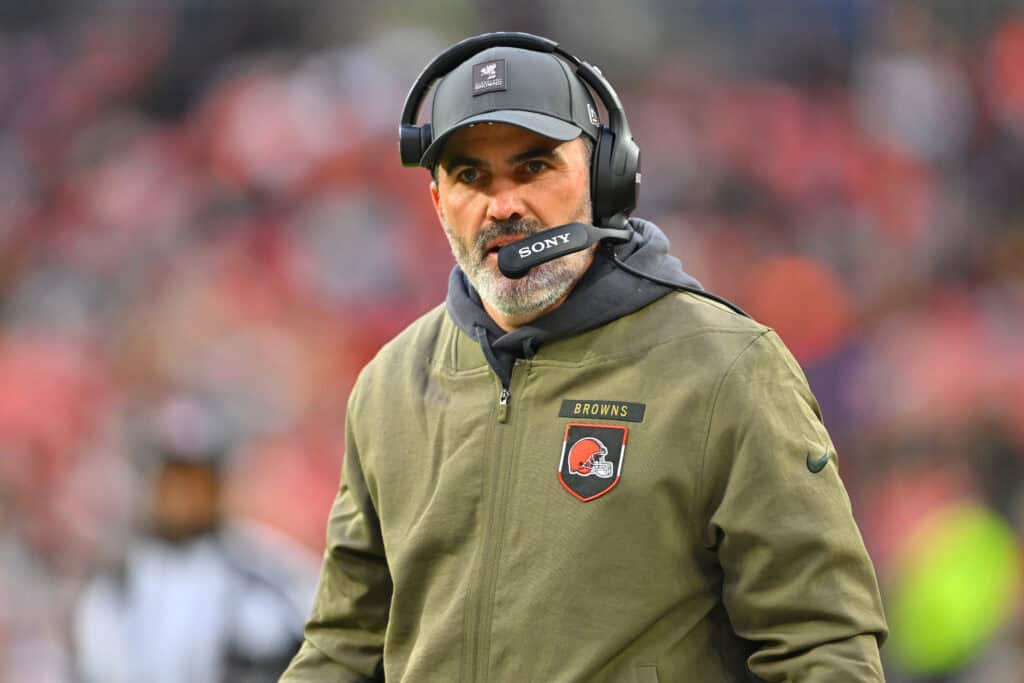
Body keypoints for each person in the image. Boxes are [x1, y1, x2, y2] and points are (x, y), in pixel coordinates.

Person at [282, 32, 887, 682]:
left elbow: (826, 648)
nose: (503, 204)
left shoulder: (724, 370)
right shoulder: (390, 386)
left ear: (605, 175)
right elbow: (341, 651)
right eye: (469, 176)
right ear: (437, 201)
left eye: (534, 167)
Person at [72, 396, 318, 683]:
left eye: (195, 481)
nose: (183, 497)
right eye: (173, 480)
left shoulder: (267, 572)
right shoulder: (115, 585)